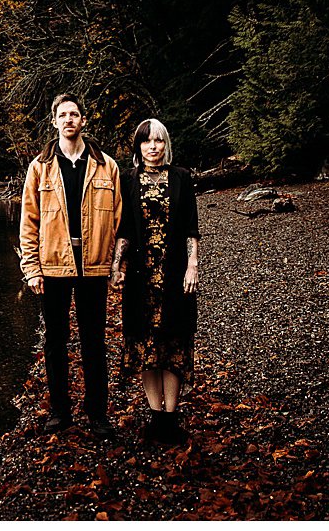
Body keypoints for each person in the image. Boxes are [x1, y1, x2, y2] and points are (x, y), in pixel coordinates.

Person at [19, 94, 122, 438]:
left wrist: (116, 263)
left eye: (74, 114)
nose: (68, 119)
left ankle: (97, 414)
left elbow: (119, 219)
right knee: (55, 340)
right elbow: (29, 222)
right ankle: (60, 412)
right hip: (53, 266)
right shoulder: (40, 167)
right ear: (54, 122)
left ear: (83, 120)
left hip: (94, 266)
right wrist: (31, 268)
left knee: (94, 341)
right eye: (62, 115)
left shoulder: (106, 165)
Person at [110, 118, 200, 445]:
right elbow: (124, 230)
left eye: (158, 141)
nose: (153, 147)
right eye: (146, 141)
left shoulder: (182, 179)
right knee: (147, 346)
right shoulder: (127, 180)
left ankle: (171, 418)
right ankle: (155, 416)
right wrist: (117, 265)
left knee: (173, 344)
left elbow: (192, 227)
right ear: (138, 147)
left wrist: (193, 265)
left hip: (175, 276)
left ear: (166, 145)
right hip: (140, 278)